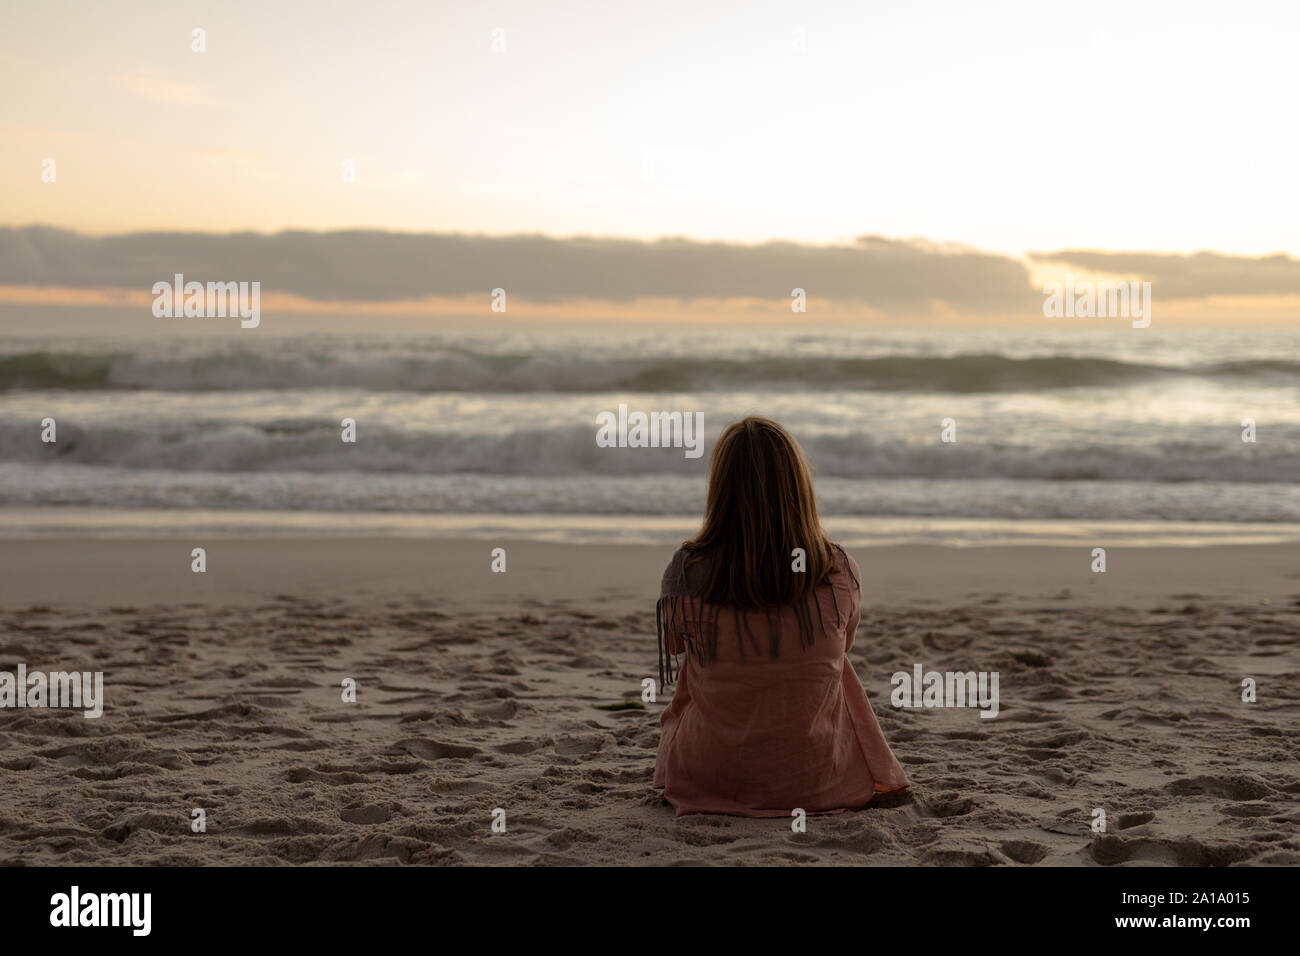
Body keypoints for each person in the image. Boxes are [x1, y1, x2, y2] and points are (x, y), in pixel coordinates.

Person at [654, 416, 909, 816]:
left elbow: (674, 645)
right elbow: (844, 644)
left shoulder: (688, 568)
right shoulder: (837, 567)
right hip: (821, 783)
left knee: (701, 662)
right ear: (799, 485)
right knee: (833, 664)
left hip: (708, 777)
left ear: (720, 490)